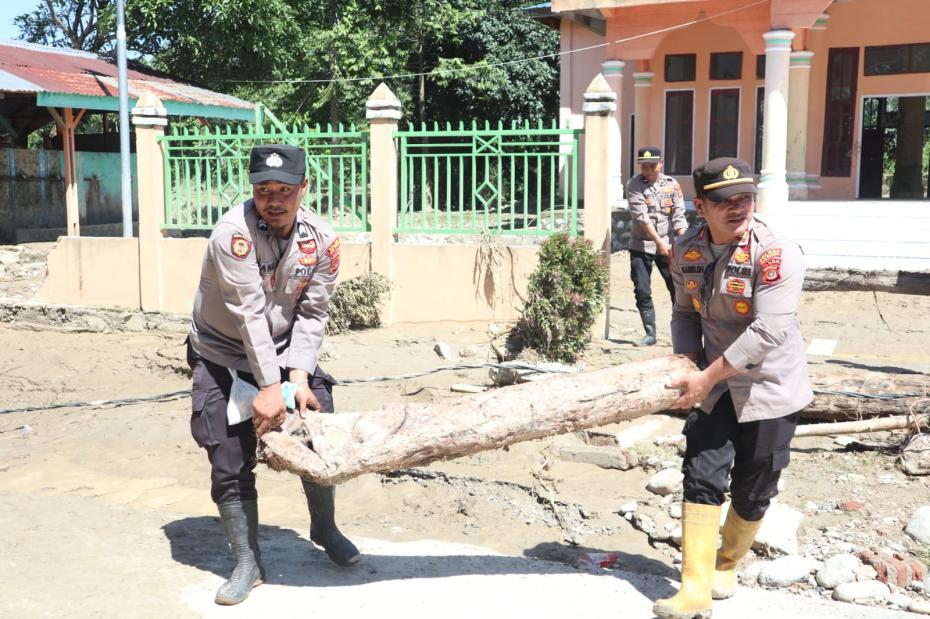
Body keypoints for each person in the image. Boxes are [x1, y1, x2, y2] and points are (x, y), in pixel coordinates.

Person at [186, 144, 359, 606]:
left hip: (284, 352)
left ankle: (324, 527)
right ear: (254, 191)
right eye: (264, 190)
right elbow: (247, 316)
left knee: (319, 431)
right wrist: (268, 389)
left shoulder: (322, 239)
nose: (274, 200)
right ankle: (247, 561)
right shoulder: (231, 235)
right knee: (228, 455)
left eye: (285, 190)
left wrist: (298, 377)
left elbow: (314, 311)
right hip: (221, 353)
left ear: (304, 188)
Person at [654, 157, 813, 619]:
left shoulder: (776, 251)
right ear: (701, 206)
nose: (737, 208)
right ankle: (694, 588)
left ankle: (726, 565)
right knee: (701, 472)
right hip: (716, 387)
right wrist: (689, 363)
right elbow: (685, 313)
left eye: (745, 198)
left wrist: (705, 375)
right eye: (725, 201)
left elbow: (769, 331)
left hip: (771, 386)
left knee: (755, 485)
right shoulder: (687, 249)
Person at [626, 147, 689, 346]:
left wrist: (683, 243)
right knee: (642, 289)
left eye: (652, 166)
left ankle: (682, 332)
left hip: (668, 245)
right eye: (644, 166)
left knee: (677, 288)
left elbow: (678, 215)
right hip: (641, 245)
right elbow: (641, 217)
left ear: (660, 163)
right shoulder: (634, 184)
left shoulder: (671, 185)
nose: (648, 170)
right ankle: (650, 334)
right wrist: (658, 242)